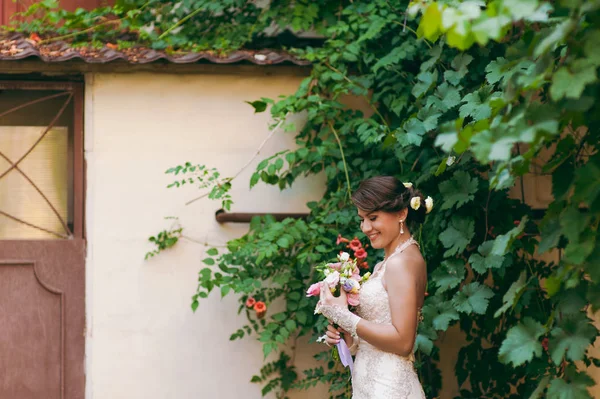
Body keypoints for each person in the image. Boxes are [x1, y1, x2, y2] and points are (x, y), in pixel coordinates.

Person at [317, 176, 429, 398]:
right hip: (372, 382)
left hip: (388, 387)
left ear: (401, 213)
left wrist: (343, 316)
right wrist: (349, 338)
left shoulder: (400, 263)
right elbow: (381, 334)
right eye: (362, 219)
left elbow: (403, 341)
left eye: (373, 218)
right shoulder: (390, 262)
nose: (366, 227)